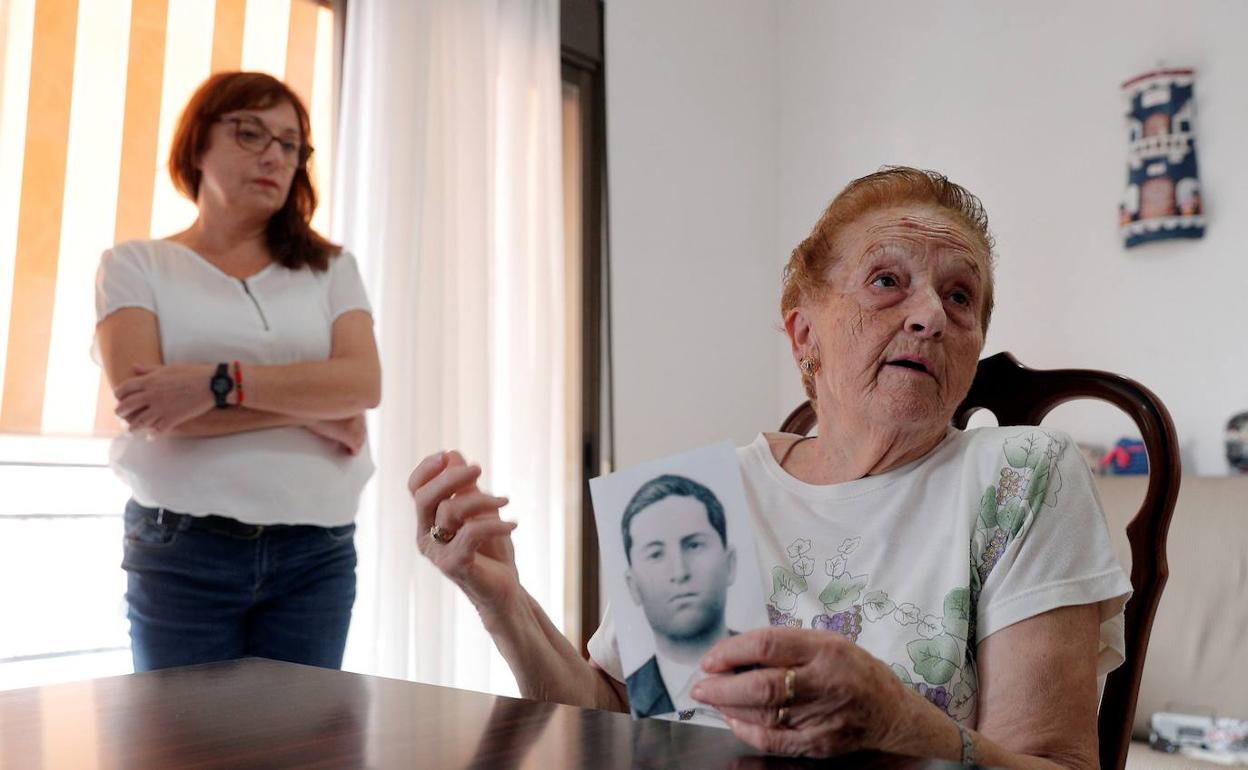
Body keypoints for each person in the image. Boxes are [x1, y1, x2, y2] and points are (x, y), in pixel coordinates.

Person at [410, 167, 1130, 770]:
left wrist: (900, 724)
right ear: (804, 332)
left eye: (960, 296)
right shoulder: (704, 495)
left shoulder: (1021, 476)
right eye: (888, 280)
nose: (931, 317)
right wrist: (501, 600)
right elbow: (613, 717)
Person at [94, 71, 380, 672]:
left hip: (316, 548)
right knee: (183, 755)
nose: (274, 155)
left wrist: (211, 384)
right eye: (251, 133)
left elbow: (362, 385)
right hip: (183, 547)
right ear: (198, 142)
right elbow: (150, 411)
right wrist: (315, 411)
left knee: (298, 756)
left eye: (290, 144)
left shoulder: (332, 268)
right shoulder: (135, 266)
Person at [620, 474, 737, 720]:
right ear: (633, 585)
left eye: (694, 545)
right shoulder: (627, 690)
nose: (680, 572)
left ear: (730, 564)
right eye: (655, 554)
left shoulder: (779, 671)